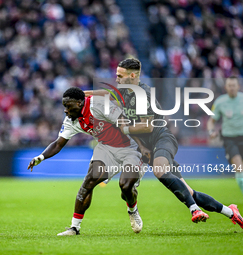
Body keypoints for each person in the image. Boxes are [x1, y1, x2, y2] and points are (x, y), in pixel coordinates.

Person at [85, 58, 243, 228]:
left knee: (160, 170)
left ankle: (194, 209)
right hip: (146, 148)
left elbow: (147, 126)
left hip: (161, 138)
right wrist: (81, 95)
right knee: (188, 192)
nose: (116, 79)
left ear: (132, 75)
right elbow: (105, 95)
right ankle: (230, 212)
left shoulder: (143, 94)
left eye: (119, 76)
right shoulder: (125, 90)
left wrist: (124, 129)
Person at [28, 87, 145, 236]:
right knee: (89, 180)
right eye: (64, 107)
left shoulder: (98, 105)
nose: (65, 110)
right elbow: (58, 144)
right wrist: (41, 157)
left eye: (68, 106)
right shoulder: (71, 120)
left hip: (130, 146)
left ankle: (132, 209)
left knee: (126, 186)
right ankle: (74, 228)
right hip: (107, 148)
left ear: (79, 103)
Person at [207, 76, 243, 195]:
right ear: (226, 87)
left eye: (234, 85)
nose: (232, 88)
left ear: (238, 86)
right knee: (239, 166)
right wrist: (211, 132)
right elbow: (211, 121)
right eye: (229, 86)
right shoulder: (220, 102)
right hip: (229, 139)